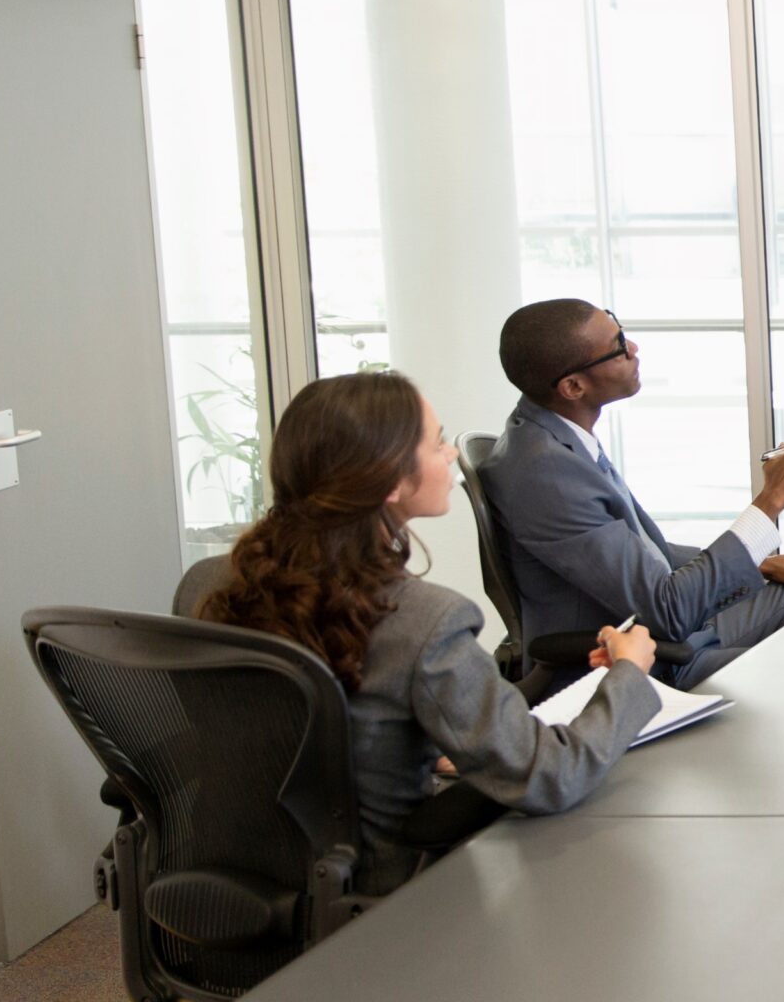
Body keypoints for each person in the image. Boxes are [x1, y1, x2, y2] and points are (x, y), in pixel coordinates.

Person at [197, 372, 661, 892]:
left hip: (238, 884)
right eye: (437, 441)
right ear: (389, 479)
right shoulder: (424, 620)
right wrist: (628, 672)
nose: (449, 457)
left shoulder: (219, 585)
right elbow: (549, 776)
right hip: (378, 898)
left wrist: (424, 736)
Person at [478, 299, 784, 688]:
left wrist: (758, 561)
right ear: (573, 386)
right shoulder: (547, 474)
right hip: (646, 663)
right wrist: (772, 499)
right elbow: (668, 610)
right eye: (619, 345)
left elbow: (644, 554)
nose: (633, 349)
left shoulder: (557, 437)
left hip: (671, 631)